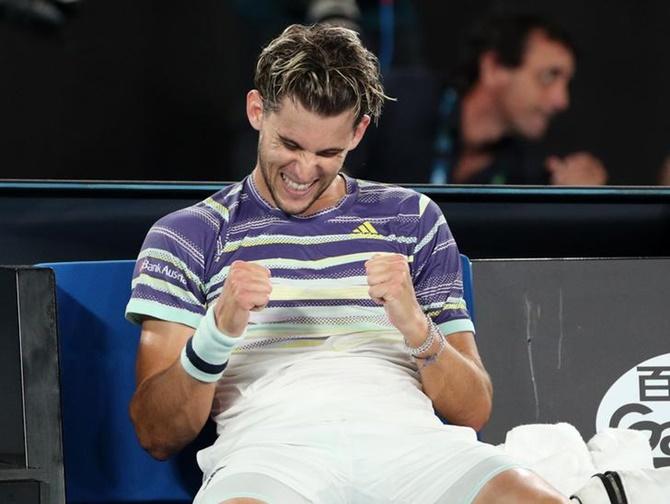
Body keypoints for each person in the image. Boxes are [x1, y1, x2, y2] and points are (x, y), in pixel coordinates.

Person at [126, 23, 571, 503]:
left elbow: (473, 409)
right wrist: (216, 333)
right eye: (290, 145)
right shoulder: (188, 234)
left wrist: (417, 327)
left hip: (415, 449)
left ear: (358, 132)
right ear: (257, 111)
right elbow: (156, 434)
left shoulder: (413, 217)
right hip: (271, 456)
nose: (303, 171)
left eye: (328, 152)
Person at [360, 13, 609, 186]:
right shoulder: (392, 101)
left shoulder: (530, 173)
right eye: (548, 77)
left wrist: (576, 198)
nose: (561, 100)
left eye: (566, 83)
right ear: (494, 68)